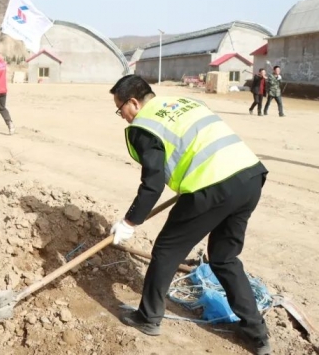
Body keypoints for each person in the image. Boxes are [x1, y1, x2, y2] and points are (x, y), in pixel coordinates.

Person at [109, 75, 270, 355]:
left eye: (119, 109)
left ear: (133, 102)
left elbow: (153, 183)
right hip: (250, 177)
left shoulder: (144, 125)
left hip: (211, 186)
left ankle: (148, 317)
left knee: (166, 250)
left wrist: (129, 221)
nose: (121, 116)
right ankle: (256, 333)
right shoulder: (185, 102)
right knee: (224, 257)